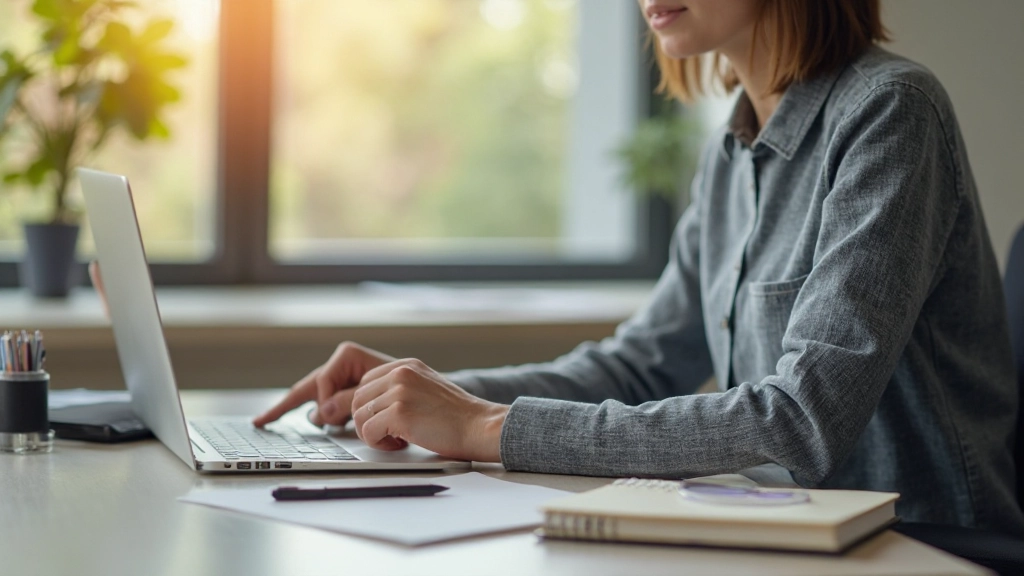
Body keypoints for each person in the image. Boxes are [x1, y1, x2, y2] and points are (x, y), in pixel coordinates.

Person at [96, 0, 1022, 536]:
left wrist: (487, 427)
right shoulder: (733, 143)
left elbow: (799, 423)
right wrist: (419, 394)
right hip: (801, 533)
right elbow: (640, 362)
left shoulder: (889, 113)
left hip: (925, 544)